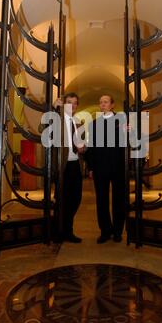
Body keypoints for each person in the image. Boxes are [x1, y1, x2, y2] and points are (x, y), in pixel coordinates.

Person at [85, 95, 126, 243]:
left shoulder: (122, 121)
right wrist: (91, 167)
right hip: (100, 167)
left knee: (119, 200)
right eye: (100, 102)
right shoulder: (94, 124)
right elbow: (91, 147)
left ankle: (117, 231)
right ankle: (105, 231)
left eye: (106, 102)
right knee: (101, 200)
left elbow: (130, 142)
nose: (102, 104)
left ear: (112, 105)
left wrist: (128, 131)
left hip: (118, 167)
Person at [54, 92, 85, 243]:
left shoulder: (76, 121)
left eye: (75, 103)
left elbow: (80, 144)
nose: (72, 105)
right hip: (62, 165)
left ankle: (67, 229)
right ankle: (60, 231)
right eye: (69, 102)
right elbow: (42, 128)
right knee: (62, 200)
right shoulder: (57, 119)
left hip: (75, 165)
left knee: (76, 199)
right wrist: (54, 110)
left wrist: (82, 148)